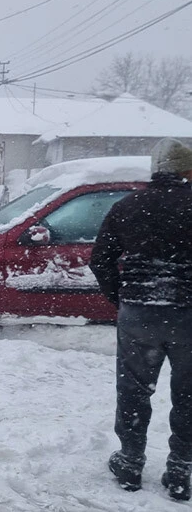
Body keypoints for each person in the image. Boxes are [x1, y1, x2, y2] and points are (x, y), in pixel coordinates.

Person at [90, 137, 192, 500]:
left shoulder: (128, 206)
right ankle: (180, 471)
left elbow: (99, 260)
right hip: (188, 315)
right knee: (188, 394)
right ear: (187, 170)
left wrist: (123, 297)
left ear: (156, 171)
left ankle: (131, 463)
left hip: (139, 313)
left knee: (133, 390)